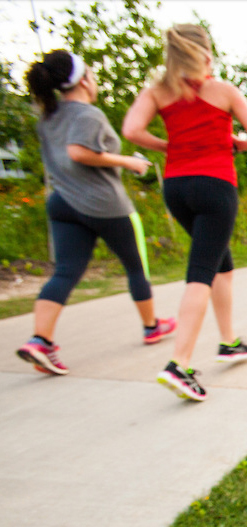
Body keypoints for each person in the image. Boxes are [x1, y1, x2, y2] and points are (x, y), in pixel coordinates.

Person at [123, 24, 247, 402]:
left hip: (176, 188)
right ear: (206, 54)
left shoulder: (158, 91)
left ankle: (228, 341)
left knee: (222, 264)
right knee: (201, 272)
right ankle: (179, 364)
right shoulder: (223, 91)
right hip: (215, 186)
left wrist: (169, 147)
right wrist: (233, 142)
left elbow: (131, 130)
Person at [16, 50, 176, 376]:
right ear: (84, 79)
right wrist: (128, 162)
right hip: (104, 204)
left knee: (65, 272)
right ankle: (151, 326)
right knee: (135, 266)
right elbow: (78, 153)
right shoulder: (87, 115)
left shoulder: (49, 116)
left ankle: (40, 340)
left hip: (62, 202)